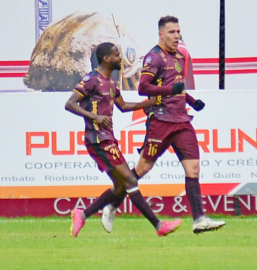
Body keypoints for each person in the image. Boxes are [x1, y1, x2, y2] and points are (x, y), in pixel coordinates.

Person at [102, 16, 225, 234]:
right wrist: (171, 92)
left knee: (193, 168)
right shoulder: (154, 57)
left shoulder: (180, 56)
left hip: (182, 120)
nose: (176, 36)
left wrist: (190, 101)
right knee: (142, 169)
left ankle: (199, 219)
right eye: (172, 32)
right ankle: (111, 204)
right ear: (161, 34)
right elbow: (144, 88)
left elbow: (177, 86)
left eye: (178, 32)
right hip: (160, 121)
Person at [65, 42, 182, 237]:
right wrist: (95, 117)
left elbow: (124, 106)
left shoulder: (111, 83)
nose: (121, 58)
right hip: (97, 140)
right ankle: (159, 226)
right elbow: (69, 104)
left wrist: (152, 101)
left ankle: (82, 214)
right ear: (106, 59)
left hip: (108, 139)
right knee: (129, 179)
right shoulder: (91, 80)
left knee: (120, 186)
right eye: (117, 55)